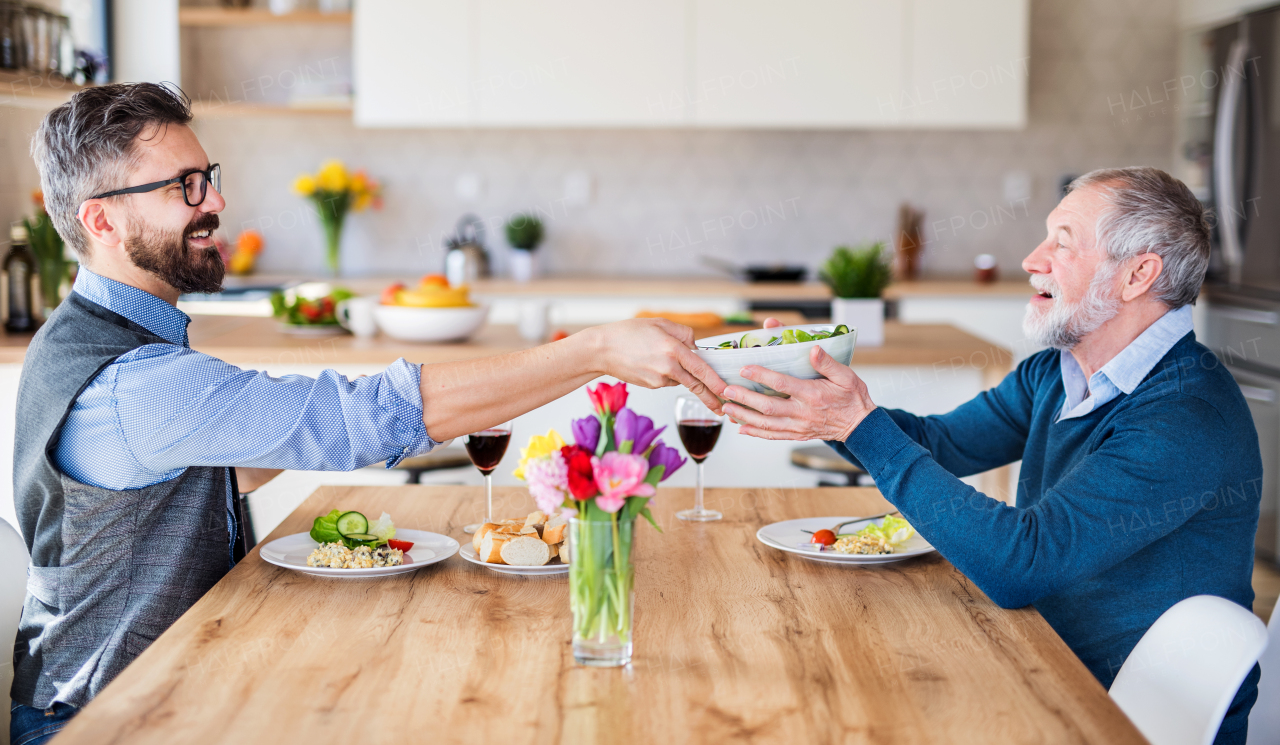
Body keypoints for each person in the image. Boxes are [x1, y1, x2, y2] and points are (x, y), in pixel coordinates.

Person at [9, 83, 728, 745]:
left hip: (150, 691)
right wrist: (592, 352)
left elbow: (207, 475)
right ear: (100, 219)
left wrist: (316, 425)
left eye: (209, 177)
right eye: (182, 187)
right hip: (106, 720)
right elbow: (358, 419)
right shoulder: (135, 383)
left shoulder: (92, 337)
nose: (215, 203)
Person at [720, 167, 1261, 744]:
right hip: (1047, 666)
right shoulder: (1058, 373)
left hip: (1132, 717)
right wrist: (814, 396)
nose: (1032, 258)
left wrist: (855, 423)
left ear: (1137, 275)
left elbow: (1020, 564)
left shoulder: (1184, 416)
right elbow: (942, 444)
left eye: (1063, 242)